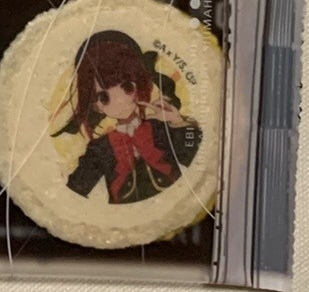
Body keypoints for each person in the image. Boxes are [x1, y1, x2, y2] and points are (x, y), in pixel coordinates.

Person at [54, 30, 202, 206]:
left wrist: (177, 121)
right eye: (104, 97)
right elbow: (74, 191)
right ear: (96, 106)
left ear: (139, 86)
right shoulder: (99, 148)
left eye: (126, 87)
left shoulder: (160, 128)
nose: (119, 101)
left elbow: (197, 159)